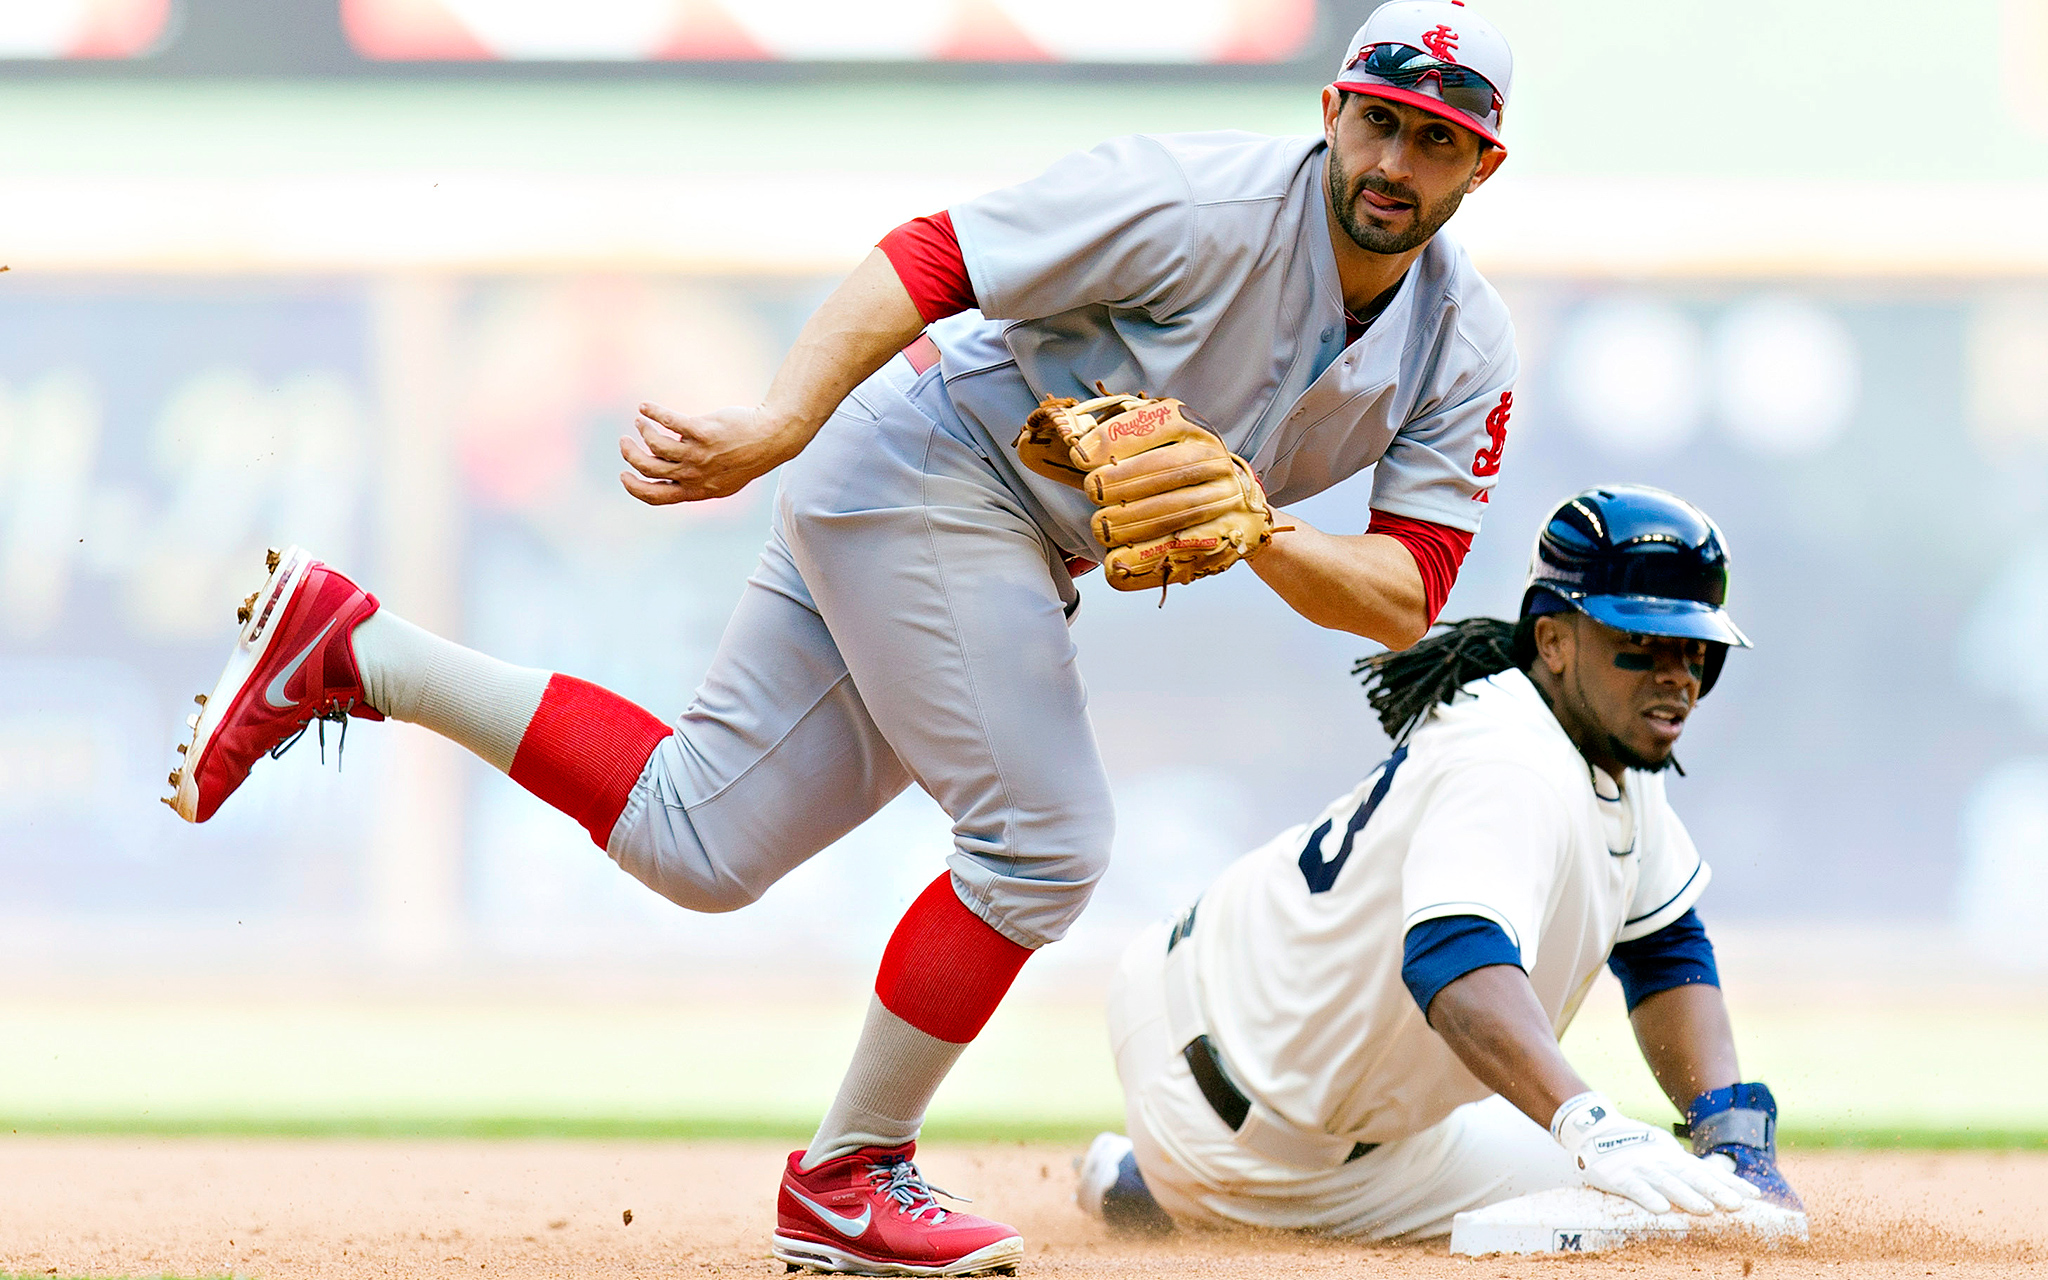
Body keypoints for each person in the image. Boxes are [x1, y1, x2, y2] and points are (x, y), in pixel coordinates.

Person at [166, 3, 1520, 1273]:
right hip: (931, 471)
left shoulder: (1465, 342)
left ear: (1482, 168)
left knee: (701, 842)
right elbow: (938, 253)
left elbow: (1405, 594)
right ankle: (852, 1171)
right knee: (1045, 845)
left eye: (1438, 139)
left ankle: (356, 650)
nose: (1396, 157)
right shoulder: (1201, 201)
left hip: (984, 520)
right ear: (1333, 111)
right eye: (1380, 119)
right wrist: (780, 417)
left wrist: (1263, 533)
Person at [1077, 485, 1803, 1242]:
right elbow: (1452, 964)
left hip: (1214, 1032)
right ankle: (1175, 1191)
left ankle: (1152, 1179)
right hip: (1248, 1133)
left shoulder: (1592, 742)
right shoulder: (1509, 762)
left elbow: (1666, 949)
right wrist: (1589, 1124)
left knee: (1672, 1181)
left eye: (1695, 648)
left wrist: (1729, 1128)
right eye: (1643, 642)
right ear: (1552, 641)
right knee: (1662, 1215)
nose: (1677, 674)